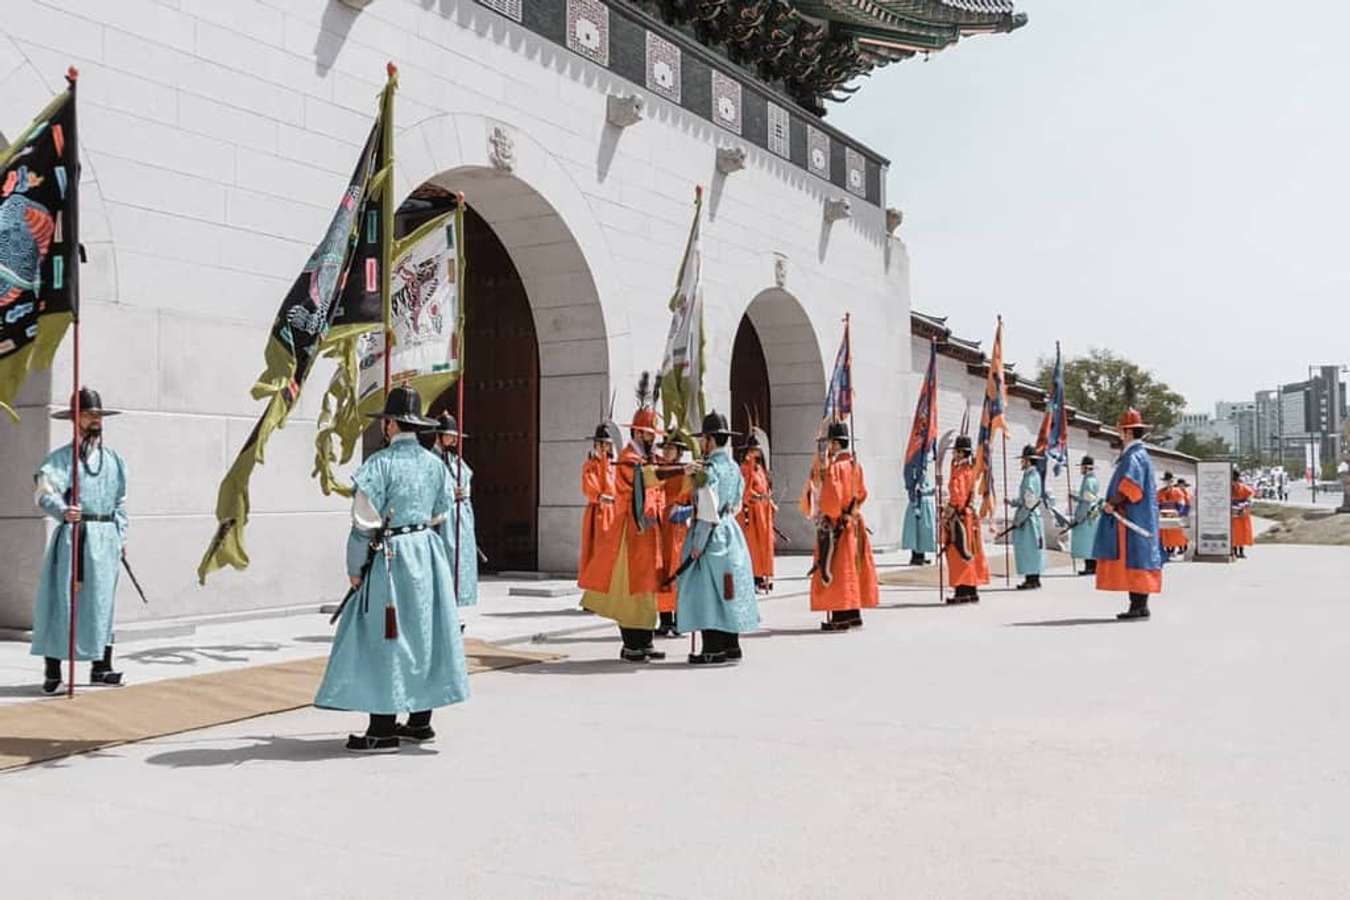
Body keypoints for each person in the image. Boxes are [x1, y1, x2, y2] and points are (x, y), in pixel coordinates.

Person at [315, 386, 469, 752]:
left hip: (392, 556)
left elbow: (363, 524)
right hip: (427, 553)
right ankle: (419, 722)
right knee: (425, 632)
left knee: (386, 636)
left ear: (390, 425)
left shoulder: (378, 466)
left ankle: (382, 729)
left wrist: (355, 567)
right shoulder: (436, 465)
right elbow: (441, 514)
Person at [31, 388, 129, 694]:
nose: (95, 420)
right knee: (64, 601)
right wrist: (62, 510)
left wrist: (120, 536)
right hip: (76, 537)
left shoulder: (114, 460)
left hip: (105, 538)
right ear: (76, 419)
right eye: (89, 414)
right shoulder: (61, 459)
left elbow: (120, 502)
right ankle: (53, 668)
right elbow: (43, 490)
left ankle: (101, 666)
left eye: (98, 415)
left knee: (102, 603)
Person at [579, 374, 667, 661]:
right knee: (631, 589)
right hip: (630, 533)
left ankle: (646, 640)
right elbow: (641, 481)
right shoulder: (630, 460)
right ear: (637, 434)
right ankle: (632, 642)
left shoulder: (650, 459)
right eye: (648, 433)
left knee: (648, 588)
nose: (652, 438)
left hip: (649, 532)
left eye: (654, 434)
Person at [676, 412, 760, 665]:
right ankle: (731, 644)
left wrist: (697, 546)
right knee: (729, 589)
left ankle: (712, 648)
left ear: (710, 440)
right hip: (730, 531)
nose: (702, 443)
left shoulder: (708, 470)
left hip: (711, 534)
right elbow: (736, 502)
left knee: (708, 591)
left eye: (703, 439)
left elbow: (706, 510)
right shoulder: (734, 468)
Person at [806, 421, 879, 630]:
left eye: (830, 442)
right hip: (854, 522)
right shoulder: (855, 465)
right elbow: (862, 493)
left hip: (838, 525)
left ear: (836, 443)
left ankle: (840, 615)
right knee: (854, 568)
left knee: (838, 570)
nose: (829, 446)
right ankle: (854, 612)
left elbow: (830, 500)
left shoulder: (835, 468)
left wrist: (827, 515)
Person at [1093, 408, 1164, 620]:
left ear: (1128, 433)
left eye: (1121, 431)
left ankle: (1137, 606)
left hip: (1132, 517)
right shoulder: (1140, 455)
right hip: (1141, 516)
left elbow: (1130, 486)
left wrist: (1113, 503)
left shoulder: (1133, 456)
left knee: (1134, 558)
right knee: (1140, 558)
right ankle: (1141, 605)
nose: (1119, 435)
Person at [433, 412, 479, 609]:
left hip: (459, 516)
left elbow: (466, 480)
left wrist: (462, 491)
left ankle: (458, 601)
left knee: (460, 557)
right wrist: (450, 492)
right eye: (449, 435)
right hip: (441, 517)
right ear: (439, 435)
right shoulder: (430, 459)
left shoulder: (454, 460)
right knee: (444, 559)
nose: (453, 440)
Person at [942, 435, 990, 603]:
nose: (954, 454)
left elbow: (957, 496)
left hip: (959, 516)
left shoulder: (961, 472)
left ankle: (962, 591)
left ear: (961, 453)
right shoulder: (969, 469)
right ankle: (971, 589)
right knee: (969, 552)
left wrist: (948, 510)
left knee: (958, 553)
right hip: (968, 517)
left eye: (955, 451)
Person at [655, 433, 693, 637]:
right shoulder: (658, 470)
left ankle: (681, 619)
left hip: (678, 529)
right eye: (666, 448)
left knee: (678, 572)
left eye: (672, 449)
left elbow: (690, 498)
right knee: (662, 572)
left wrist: (684, 508)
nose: (667, 452)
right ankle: (665, 619)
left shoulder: (685, 474)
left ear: (679, 452)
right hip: (661, 528)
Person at [578, 423, 617, 602]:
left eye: (606, 444)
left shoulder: (613, 465)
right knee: (595, 553)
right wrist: (600, 496)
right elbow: (589, 485)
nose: (603, 447)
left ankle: (607, 594)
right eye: (600, 443)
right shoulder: (590, 465)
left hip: (613, 513)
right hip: (597, 513)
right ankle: (593, 596)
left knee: (610, 554)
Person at [739, 432, 776, 592]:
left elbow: (765, 487)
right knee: (753, 545)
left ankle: (763, 575)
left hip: (763, 512)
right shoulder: (746, 468)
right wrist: (759, 497)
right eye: (754, 449)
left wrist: (769, 501)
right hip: (752, 513)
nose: (757, 452)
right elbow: (745, 492)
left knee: (765, 545)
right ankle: (754, 577)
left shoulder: (759, 468)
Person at [1008, 445, 1045, 590]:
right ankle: (1034, 578)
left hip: (1028, 518)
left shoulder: (1030, 478)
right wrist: (1013, 502)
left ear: (1028, 461)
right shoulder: (1034, 476)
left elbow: (1029, 501)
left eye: (1023, 460)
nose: (1021, 463)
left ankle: (1031, 579)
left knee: (1028, 548)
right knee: (1033, 549)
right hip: (1032, 515)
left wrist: (1019, 520)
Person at [1068, 455, 1101, 576]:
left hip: (1087, 514)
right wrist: (1077, 498)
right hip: (1093, 513)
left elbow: (1087, 501)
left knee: (1086, 542)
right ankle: (1093, 566)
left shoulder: (1087, 481)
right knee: (1091, 541)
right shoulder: (1094, 480)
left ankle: (1090, 566)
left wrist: (1079, 518)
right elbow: (1089, 498)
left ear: (1086, 468)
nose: (1081, 470)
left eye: (1082, 467)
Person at [901, 462, 937, 567]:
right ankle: (916, 557)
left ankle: (921, 555)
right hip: (918, 506)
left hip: (923, 505)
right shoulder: (915, 475)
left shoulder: (921, 473)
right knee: (917, 532)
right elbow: (919, 490)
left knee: (923, 532)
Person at [1157, 472, 1187, 559]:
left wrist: (1178, 513)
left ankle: (1175, 550)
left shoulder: (1177, 491)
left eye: (1170, 481)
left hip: (1174, 515)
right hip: (1163, 515)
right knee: (1163, 534)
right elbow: (1157, 503)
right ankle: (1165, 551)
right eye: (1166, 481)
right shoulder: (1160, 492)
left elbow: (1181, 503)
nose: (1168, 482)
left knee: (1175, 533)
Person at [1231, 470, 1255, 558]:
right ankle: (1234, 551)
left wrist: (1245, 505)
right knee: (1233, 533)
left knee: (1242, 533)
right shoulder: (1229, 487)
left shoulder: (1244, 487)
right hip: (1232, 512)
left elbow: (1251, 496)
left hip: (1242, 512)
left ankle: (1240, 551)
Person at [1175, 477, 1193, 556]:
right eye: (1180, 485)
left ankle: (1185, 547)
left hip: (1186, 513)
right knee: (1178, 531)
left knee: (1185, 532)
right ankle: (1180, 547)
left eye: (1182, 485)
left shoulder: (1187, 494)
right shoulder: (1176, 493)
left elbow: (1189, 504)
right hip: (1178, 513)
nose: (1181, 486)